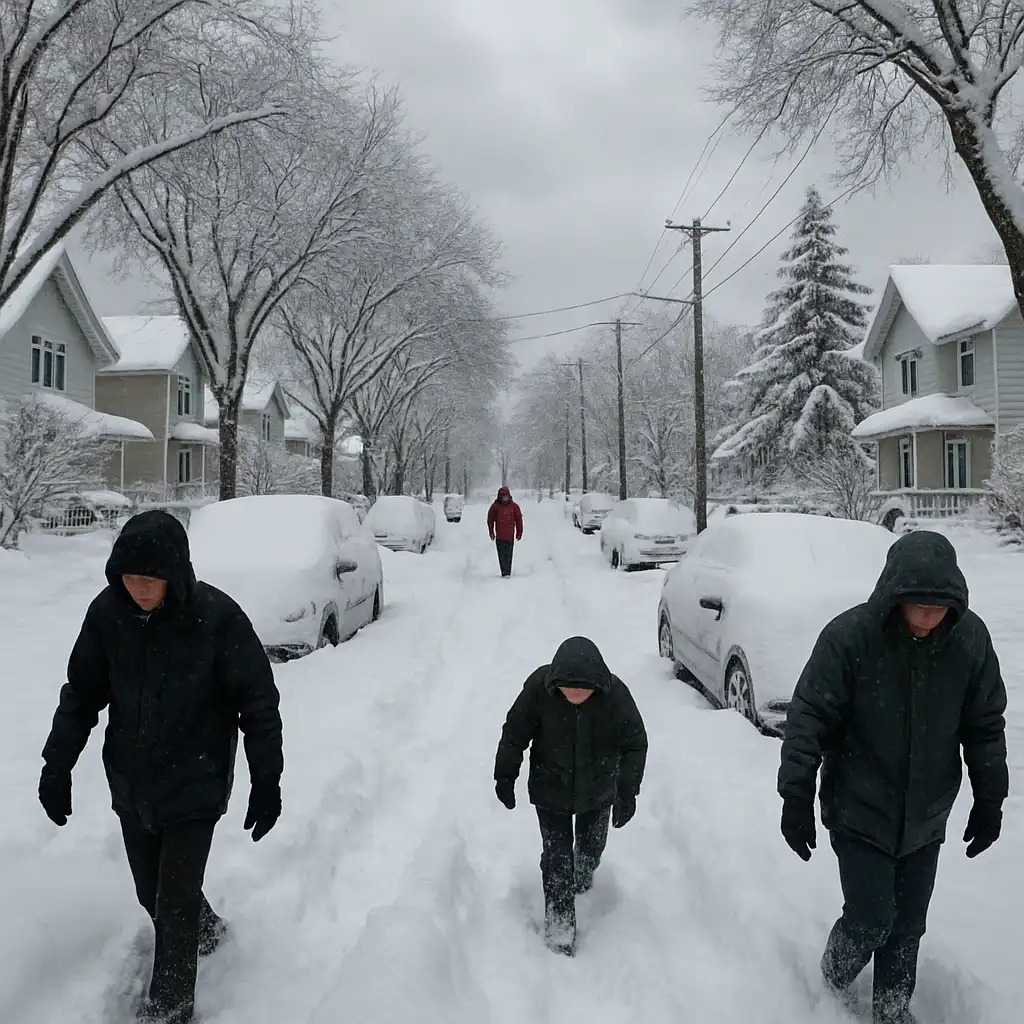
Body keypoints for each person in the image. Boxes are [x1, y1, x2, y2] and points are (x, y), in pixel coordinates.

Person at [39, 510, 284, 1024]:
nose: (140, 591)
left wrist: (266, 780)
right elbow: (82, 694)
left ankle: (168, 1012)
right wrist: (57, 766)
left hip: (196, 781)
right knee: (150, 893)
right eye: (130, 580)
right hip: (132, 783)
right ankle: (209, 931)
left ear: (174, 574)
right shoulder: (107, 615)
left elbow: (258, 703)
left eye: (149, 581)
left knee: (172, 905)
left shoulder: (218, 618)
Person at [779, 530, 1007, 1024]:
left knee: (908, 925)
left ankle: (892, 1009)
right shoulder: (849, 638)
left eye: (938, 607)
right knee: (871, 918)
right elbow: (808, 719)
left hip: (926, 813)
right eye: (916, 605)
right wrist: (795, 796)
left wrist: (991, 797)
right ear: (893, 595)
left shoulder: (969, 641)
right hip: (859, 806)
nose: (927, 617)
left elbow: (985, 724)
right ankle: (833, 976)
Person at [494, 636, 647, 955]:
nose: (575, 698)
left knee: (591, 847)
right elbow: (514, 733)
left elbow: (635, 743)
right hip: (550, 790)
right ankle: (560, 919)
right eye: (568, 693)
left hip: (598, 790)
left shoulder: (615, 695)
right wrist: (506, 776)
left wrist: (626, 792)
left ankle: (582, 869)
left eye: (583, 693)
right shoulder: (539, 688)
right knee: (557, 857)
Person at [487, 485, 523, 577]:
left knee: (509, 555)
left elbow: (519, 519)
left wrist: (519, 532)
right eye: (503, 496)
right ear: (500, 496)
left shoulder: (514, 506)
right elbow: (490, 520)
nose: (505, 498)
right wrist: (491, 532)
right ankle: (504, 572)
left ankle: (508, 572)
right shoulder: (495, 507)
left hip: (510, 536)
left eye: (506, 496)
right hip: (500, 537)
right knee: (501, 555)